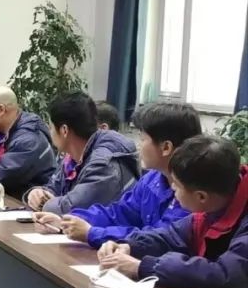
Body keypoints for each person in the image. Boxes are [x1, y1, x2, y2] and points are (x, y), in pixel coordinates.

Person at [97, 136, 247, 288]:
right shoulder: (214, 205)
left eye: (177, 184)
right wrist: (130, 246)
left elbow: (225, 275)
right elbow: (172, 237)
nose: (172, 188)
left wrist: (142, 267)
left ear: (201, 196)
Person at [35, 102, 201, 247]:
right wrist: (68, 221)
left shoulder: (193, 192)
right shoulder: (152, 179)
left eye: (143, 139)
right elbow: (118, 213)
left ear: (166, 148)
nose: (138, 145)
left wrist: (92, 233)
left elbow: (159, 239)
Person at [23, 92, 140, 214]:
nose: (49, 131)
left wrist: (45, 204)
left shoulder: (104, 164)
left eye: (51, 127)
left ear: (64, 130)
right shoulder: (72, 157)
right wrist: (37, 194)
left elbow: (72, 208)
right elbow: (53, 188)